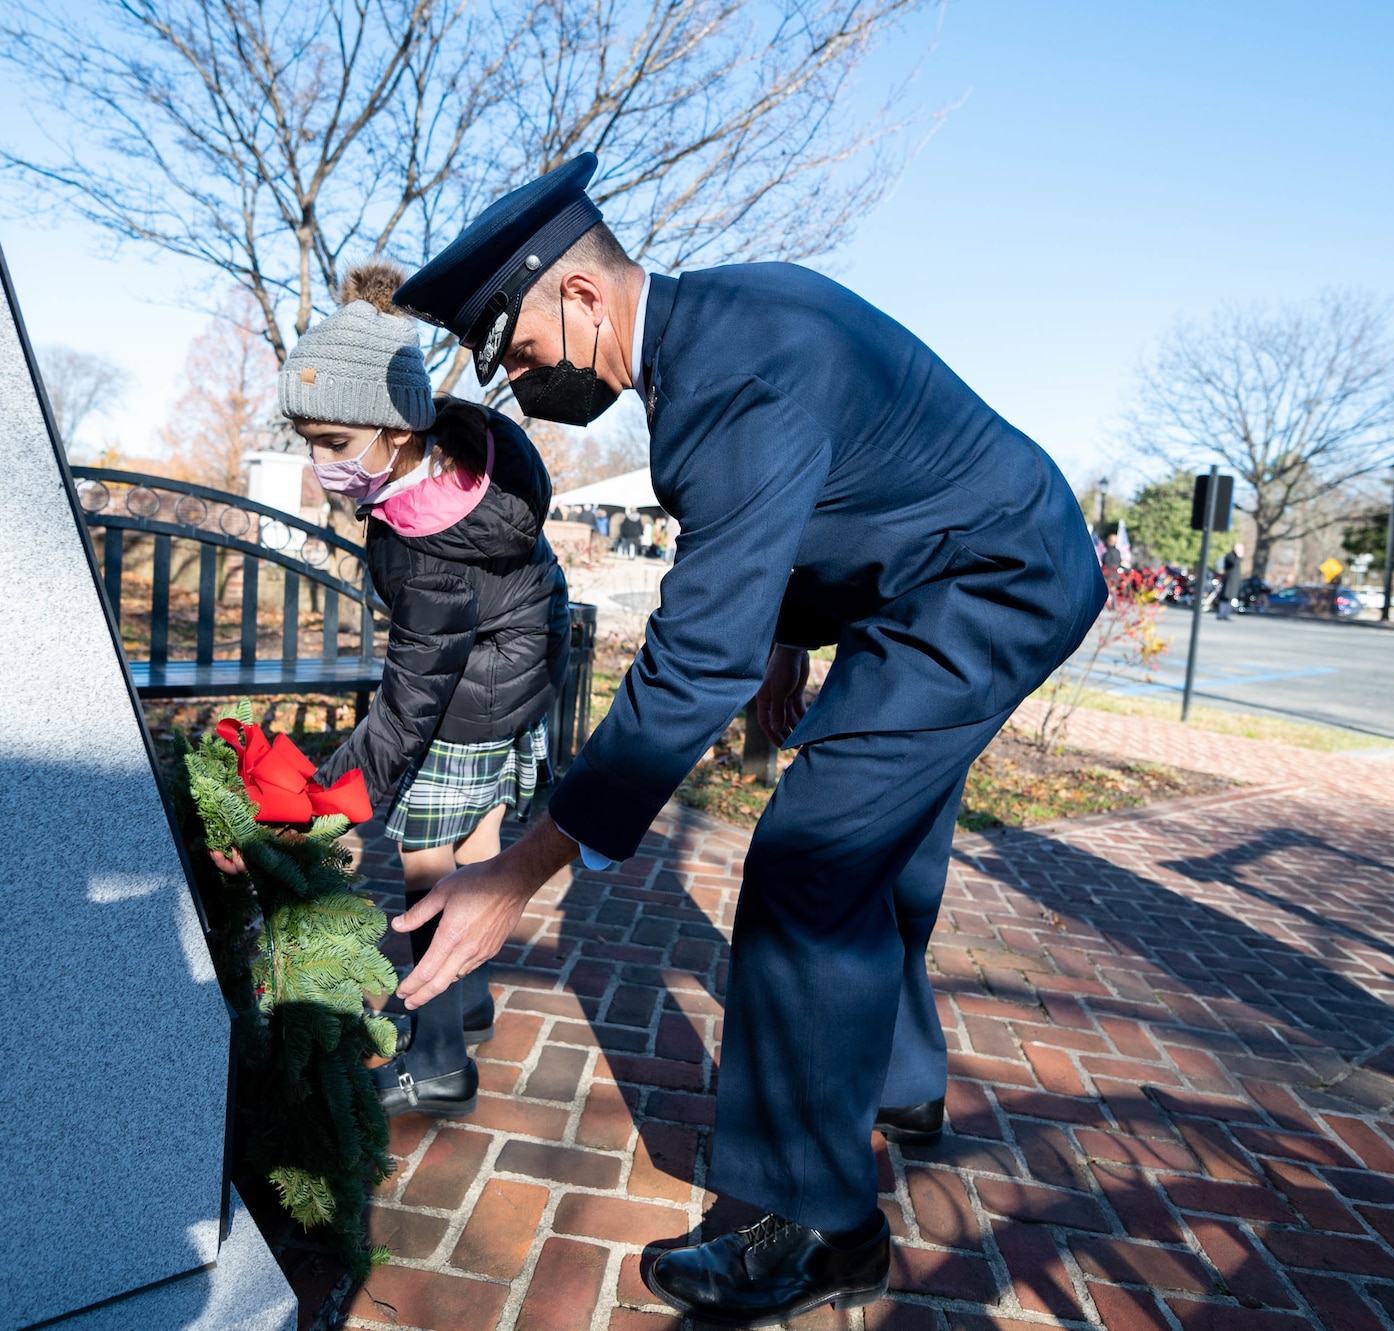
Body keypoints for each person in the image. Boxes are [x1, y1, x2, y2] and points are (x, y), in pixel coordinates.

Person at [381, 155, 1104, 1324]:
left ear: (579, 297)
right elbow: (835, 494)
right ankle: (900, 1081)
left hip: (987, 589)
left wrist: (519, 869)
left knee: (808, 869)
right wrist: (787, 642)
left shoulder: (723, 382)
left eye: (513, 353)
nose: (518, 386)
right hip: (950, 574)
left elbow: (690, 663)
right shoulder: (730, 315)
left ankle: (817, 1225)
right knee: (878, 832)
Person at [282, 261, 570, 1120]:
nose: (321, 465)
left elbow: (409, 703)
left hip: (478, 685)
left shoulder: (424, 541)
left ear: (397, 430)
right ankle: (468, 999)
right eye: (310, 443)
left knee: (423, 861)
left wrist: (334, 800)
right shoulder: (459, 474)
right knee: (476, 832)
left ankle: (438, 1054)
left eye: (333, 443)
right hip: (519, 668)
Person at [1217, 543, 1243, 620]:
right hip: (1229, 580)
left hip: (1234, 581)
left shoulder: (1235, 557)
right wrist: (1239, 556)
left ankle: (1226, 614)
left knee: (1231, 598)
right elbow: (1234, 563)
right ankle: (1221, 614)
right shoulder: (1230, 556)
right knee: (1225, 597)